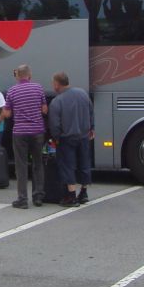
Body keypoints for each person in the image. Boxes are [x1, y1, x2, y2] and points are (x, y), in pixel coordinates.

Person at [2, 64, 48, 209]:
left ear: (17, 76)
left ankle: (22, 199)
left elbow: (7, 114)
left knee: (21, 165)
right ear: (29, 75)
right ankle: (38, 196)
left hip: (20, 132)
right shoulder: (38, 88)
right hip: (37, 131)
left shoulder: (12, 91)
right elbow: (44, 110)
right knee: (38, 163)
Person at [47, 72, 94, 206]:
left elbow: (54, 124)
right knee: (84, 163)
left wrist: (56, 137)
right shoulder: (82, 93)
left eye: (53, 83)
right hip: (84, 136)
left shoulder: (57, 101)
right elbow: (90, 112)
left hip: (66, 138)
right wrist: (91, 128)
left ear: (57, 84)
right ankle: (84, 192)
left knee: (67, 166)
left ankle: (71, 196)